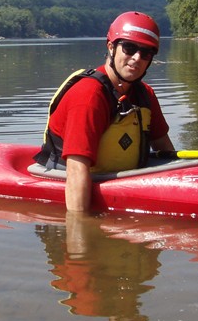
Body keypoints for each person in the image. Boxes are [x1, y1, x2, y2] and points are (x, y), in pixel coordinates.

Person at [35, 11, 175, 211]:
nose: (136, 58)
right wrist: (78, 233)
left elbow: (166, 150)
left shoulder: (145, 94)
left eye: (146, 53)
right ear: (111, 47)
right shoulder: (89, 95)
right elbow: (76, 171)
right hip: (75, 177)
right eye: (129, 48)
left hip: (122, 176)